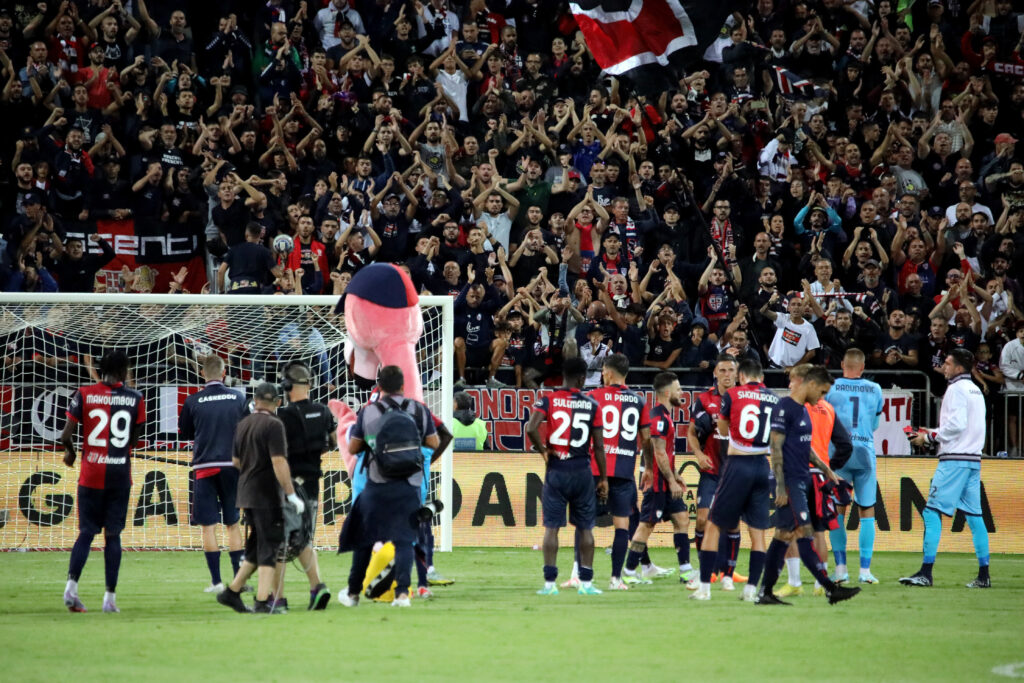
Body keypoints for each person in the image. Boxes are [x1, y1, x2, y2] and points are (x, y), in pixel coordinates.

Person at [757, 365, 861, 606]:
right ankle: (830, 589)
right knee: (805, 532)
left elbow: (806, 447)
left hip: (802, 478)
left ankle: (765, 592)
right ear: (811, 384)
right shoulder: (785, 408)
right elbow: (775, 448)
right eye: (822, 392)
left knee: (782, 536)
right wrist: (781, 487)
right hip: (791, 482)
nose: (822, 398)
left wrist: (826, 469)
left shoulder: (804, 410)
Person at [338, 366, 439, 608]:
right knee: (405, 539)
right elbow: (434, 442)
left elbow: (352, 448)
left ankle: (353, 593)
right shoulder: (419, 410)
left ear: (379, 387)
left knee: (364, 537)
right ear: (403, 385)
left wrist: (373, 445)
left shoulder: (369, 412)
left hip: (377, 484)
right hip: (409, 485)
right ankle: (402, 594)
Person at [60, 350, 145, 613]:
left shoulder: (84, 393)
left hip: (91, 474)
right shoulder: (136, 398)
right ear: (123, 371)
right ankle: (109, 598)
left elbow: (65, 435)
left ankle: (71, 589)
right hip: (119, 475)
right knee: (113, 536)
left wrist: (72, 453)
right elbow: (134, 440)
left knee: (86, 532)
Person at [902, 350, 992, 589]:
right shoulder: (975, 391)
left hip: (954, 460)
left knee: (931, 512)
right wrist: (930, 432)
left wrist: (929, 437)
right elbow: (966, 425)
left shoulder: (955, 389)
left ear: (960, 368)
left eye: (949, 363)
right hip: (973, 459)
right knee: (975, 517)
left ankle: (925, 572)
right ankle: (984, 575)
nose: (944, 366)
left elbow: (956, 426)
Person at [216, 383, 306, 614]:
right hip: (267, 494)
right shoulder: (274, 424)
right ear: (277, 402)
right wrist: (291, 494)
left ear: (255, 401)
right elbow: (279, 462)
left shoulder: (243, 424)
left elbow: (235, 461)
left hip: (246, 491)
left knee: (257, 547)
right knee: (270, 547)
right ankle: (263, 601)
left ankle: (232, 592)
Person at [693, 358, 776, 602]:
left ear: (741, 376)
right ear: (761, 377)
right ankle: (751, 590)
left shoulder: (733, 395)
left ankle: (705, 587)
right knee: (758, 532)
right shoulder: (774, 398)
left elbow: (725, 430)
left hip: (738, 463)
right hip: (763, 464)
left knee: (713, 524)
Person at [525, 357, 607, 596]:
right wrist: (602, 478)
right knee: (585, 529)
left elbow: (531, 428)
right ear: (582, 378)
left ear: (563, 375)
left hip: (557, 469)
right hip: (582, 470)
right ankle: (587, 583)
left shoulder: (548, 400)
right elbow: (599, 447)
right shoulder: (592, 405)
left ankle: (550, 584)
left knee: (552, 528)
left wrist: (543, 451)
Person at [178, 354, 248, 594]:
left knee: (208, 526)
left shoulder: (193, 400)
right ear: (224, 372)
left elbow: (185, 432)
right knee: (233, 523)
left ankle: (217, 582)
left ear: (202, 374)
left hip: (204, 467)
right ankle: (239, 581)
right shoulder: (238, 398)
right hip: (233, 465)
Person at [585, 353, 651, 591]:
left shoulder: (593, 397)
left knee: (585, 524)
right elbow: (646, 439)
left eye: (603, 371)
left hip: (594, 469)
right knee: (622, 526)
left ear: (609, 372)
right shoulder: (639, 401)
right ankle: (615, 579)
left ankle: (581, 576)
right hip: (624, 469)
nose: (602, 375)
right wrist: (649, 468)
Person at [621, 372, 693, 585]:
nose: (682, 393)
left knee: (682, 519)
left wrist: (676, 474)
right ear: (668, 392)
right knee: (646, 526)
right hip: (659, 484)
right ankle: (629, 571)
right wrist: (670, 480)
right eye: (679, 389)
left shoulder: (665, 416)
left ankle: (686, 571)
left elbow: (665, 453)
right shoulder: (658, 417)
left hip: (666, 479)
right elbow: (658, 451)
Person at [275, 361, 336, 611]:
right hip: (312, 483)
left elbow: (276, 453)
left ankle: (277, 598)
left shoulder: (283, 416)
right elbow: (332, 442)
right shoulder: (324, 411)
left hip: (289, 485)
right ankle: (317, 587)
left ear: (287, 386)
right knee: (304, 539)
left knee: (280, 541)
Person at [686, 354, 748, 592]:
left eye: (730, 370)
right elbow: (691, 432)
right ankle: (707, 570)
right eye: (722, 370)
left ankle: (728, 573)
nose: (726, 375)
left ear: (737, 373)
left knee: (732, 524)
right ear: (715, 374)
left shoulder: (744, 400)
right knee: (703, 519)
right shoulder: (704, 399)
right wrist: (698, 455)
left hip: (735, 471)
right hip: (711, 470)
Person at [826, 349, 886, 584]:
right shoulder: (876, 389)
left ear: (843, 364)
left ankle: (841, 569)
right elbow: (874, 424)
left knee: (838, 510)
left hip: (839, 454)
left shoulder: (831, 388)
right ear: (862, 367)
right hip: (864, 452)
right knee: (867, 510)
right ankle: (865, 571)